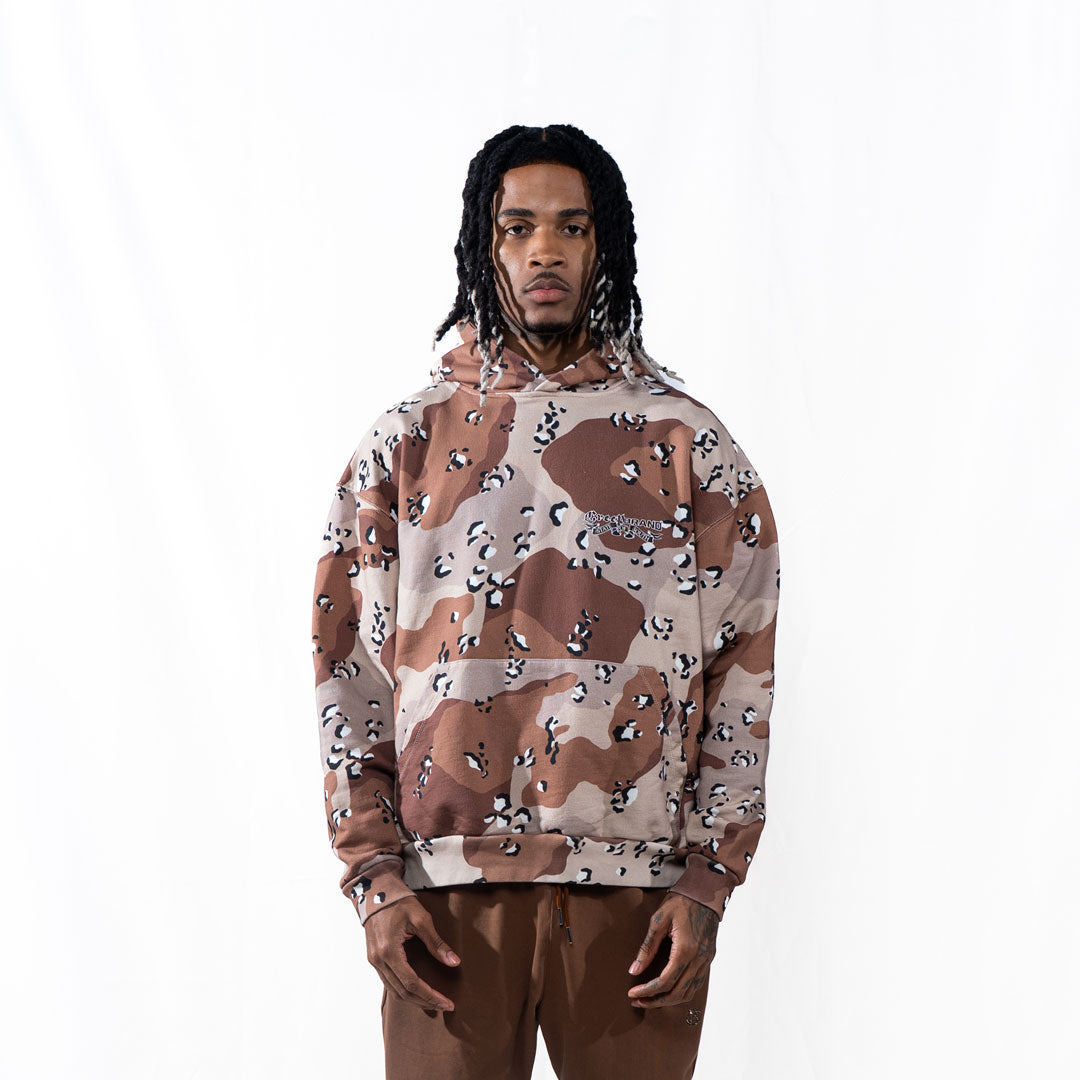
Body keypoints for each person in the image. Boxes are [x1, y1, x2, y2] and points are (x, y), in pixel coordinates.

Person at [311, 123, 781, 1079]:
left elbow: (745, 668)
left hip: (638, 902)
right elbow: (347, 673)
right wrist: (374, 878)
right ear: (484, 246)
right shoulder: (403, 445)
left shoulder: (686, 444)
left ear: (604, 244)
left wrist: (708, 880)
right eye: (518, 227)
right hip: (443, 901)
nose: (544, 252)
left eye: (571, 227)